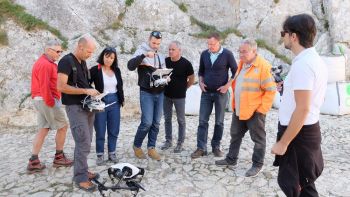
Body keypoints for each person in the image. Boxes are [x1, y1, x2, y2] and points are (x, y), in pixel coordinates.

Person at [271, 14, 327, 196]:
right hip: (305, 131)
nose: (283, 37)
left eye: (283, 33)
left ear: (293, 36)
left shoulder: (304, 65)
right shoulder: (314, 61)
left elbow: (303, 108)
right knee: (301, 186)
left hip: (299, 135)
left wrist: (283, 143)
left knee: (298, 187)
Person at [215, 38, 276, 177]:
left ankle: (257, 164)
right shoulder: (241, 64)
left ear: (254, 51)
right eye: (240, 51)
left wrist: (261, 110)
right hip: (240, 108)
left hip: (255, 111)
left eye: (244, 52)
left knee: (258, 139)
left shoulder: (264, 67)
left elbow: (271, 90)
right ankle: (231, 159)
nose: (241, 54)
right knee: (235, 135)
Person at [57, 35, 100, 192]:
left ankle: (83, 169)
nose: (90, 55)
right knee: (83, 141)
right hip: (75, 108)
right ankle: (80, 178)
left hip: (87, 106)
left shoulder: (82, 62)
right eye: (88, 51)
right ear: (80, 47)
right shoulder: (66, 62)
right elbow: (61, 86)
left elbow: (83, 83)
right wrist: (85, 90)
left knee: (86, 142)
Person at [27, 40, 73, 172]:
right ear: (48, 50)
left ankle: (33, 161)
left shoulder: (45, 63)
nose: (59, 54)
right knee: (63, 126)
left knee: (43, 129)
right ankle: (59, 157)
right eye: (57, 51)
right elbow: (45, 86)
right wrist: (52, 102)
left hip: (40, 100)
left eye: (61, 51)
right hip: (46, 100)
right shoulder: (45, 65)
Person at [191, 32, 237, 159]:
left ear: (219, 42)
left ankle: (216, 147)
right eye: (208, 44)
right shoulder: (205, 54)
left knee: (219, 122)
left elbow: (235, 71)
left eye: (212, 44)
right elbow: (201, 71)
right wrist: (200, 82)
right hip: (206, 93)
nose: (210, 46)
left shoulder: (227, 54)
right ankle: (201, 148)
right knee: (202, 121)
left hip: (220, 94)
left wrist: (227, 86)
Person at [127, 31, 166, 161]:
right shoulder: (141, 50)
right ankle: (137, 146)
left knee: (156, 123)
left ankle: (151, 148)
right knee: (147, 122)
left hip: (160, 92)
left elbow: (162, 72)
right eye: (154, 42)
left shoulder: (160, 54)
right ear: (149, 40)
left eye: (158, 43)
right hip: (146, 92)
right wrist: (144, 55)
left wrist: (167, 78)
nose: (155, 45)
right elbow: (130, 66)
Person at [90, 47, 124, 165]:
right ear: (102, 56)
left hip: (115, 101)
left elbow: (120, 86)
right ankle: (100, 154)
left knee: (114, 129)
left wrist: (122, 100)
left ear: (114, 59)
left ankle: (112, 153)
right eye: (107, 56)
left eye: (112, 58)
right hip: (101, 102)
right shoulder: (95, 70)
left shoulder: (117, 70)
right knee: (100, 129)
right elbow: (86, 83)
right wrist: (93, 93)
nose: (109, 60)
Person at [160, 41, 195, 153]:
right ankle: (168, 141)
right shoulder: (165, 61)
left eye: (173, 49)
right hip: (166, 95)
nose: (170, 51)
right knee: (167, 119)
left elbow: (192, 78)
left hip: (180, 96)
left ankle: (180, 143)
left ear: (179, 50)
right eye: (169, 49)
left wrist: (184, 88)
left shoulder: (186, 63)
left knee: (181, 120)